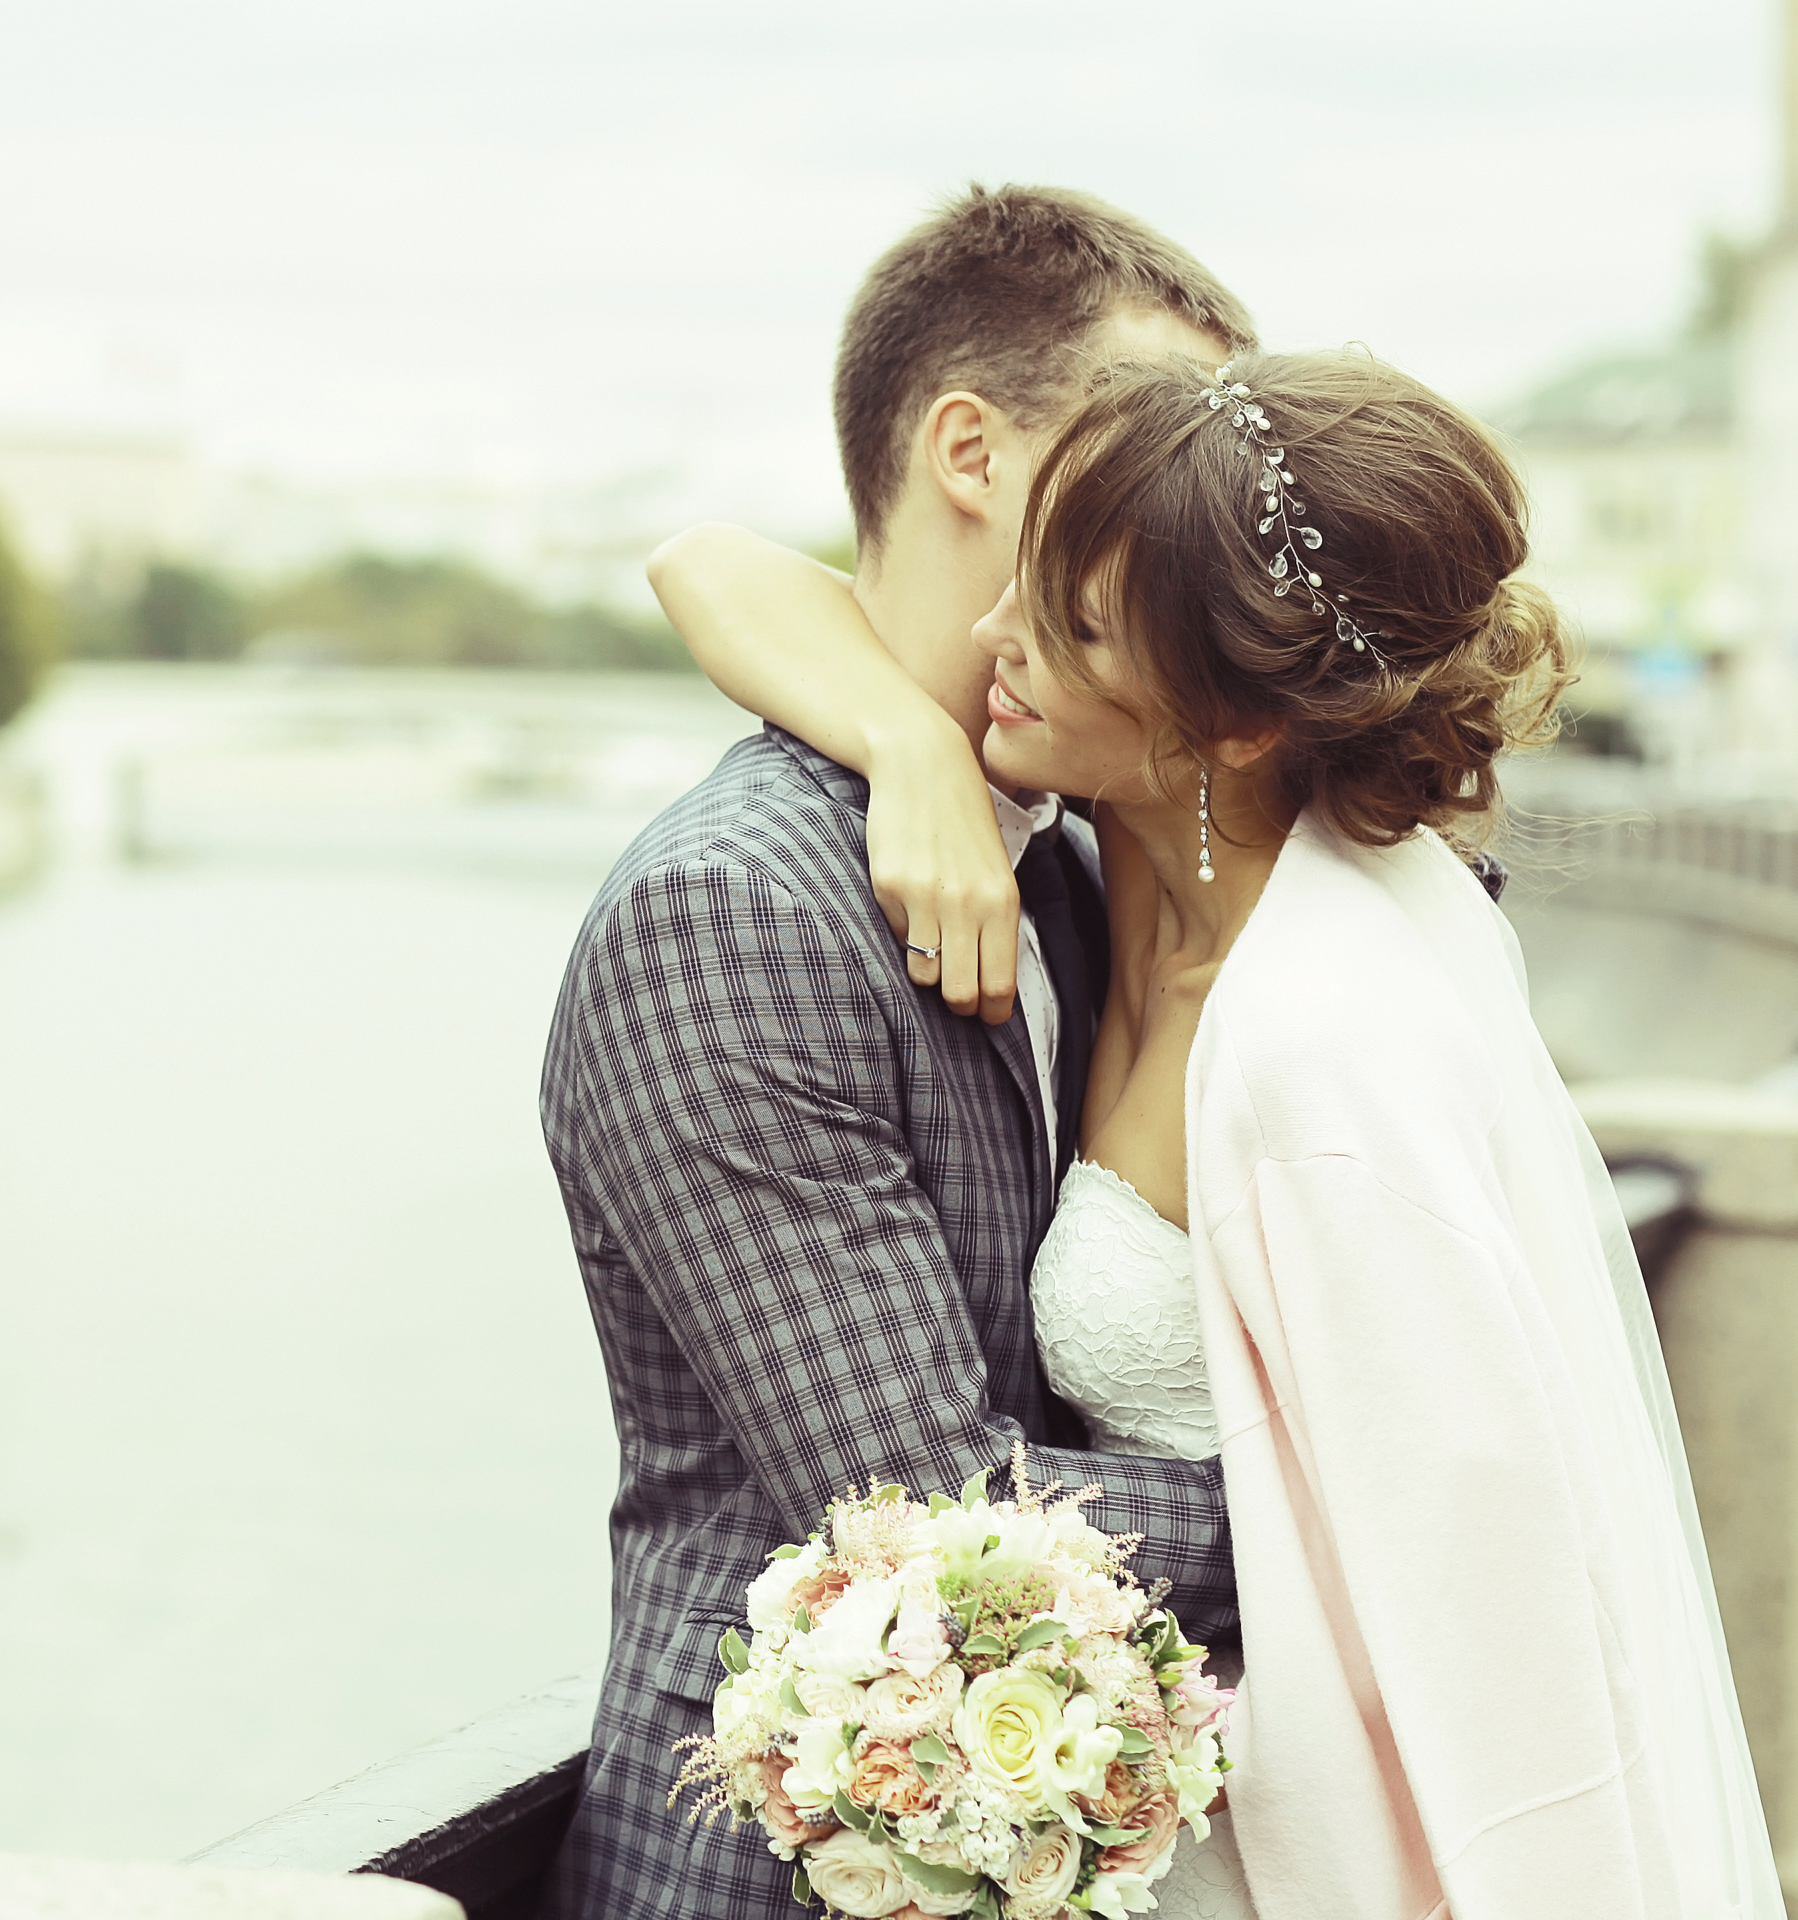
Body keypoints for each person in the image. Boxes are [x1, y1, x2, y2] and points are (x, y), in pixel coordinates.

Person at [657, 348, 1779, 1917]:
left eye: (1073, 622)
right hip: (1176, 1810)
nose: (996, 639)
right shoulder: (1119, 885)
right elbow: (713, 564)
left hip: (1297, 1839)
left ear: (1238, 723)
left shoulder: (1322, 1039)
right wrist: (907, 745)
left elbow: (1483, 1572)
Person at [538, 185, 1256, 1920]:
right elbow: (933, 1520)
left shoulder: (1087, 857)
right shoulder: (739, 914)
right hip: (774, 1874)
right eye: (1152, 444)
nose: (1196, 512)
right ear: (970, 452)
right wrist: (1379, 1510)